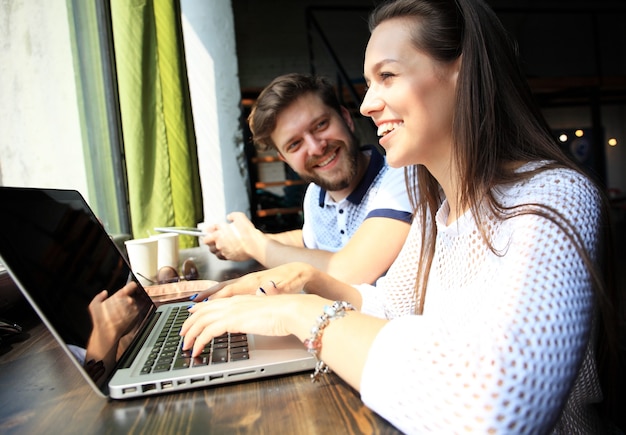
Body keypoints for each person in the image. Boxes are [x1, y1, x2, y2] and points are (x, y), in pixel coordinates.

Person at [181, 0, 623, 432]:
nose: (368, 104)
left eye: (387, 76)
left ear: (463, 72)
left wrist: (300, 314)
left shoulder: (555, 195)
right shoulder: (439, 210)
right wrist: (302, 280)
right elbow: (388, 304)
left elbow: (499, 409)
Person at [200, 73, 413, 284]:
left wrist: (253, 244)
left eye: (320, 125)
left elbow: (348, 272)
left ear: (346, 119)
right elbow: (308, 241)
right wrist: (240, 239)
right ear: (285, 159)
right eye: (294, 144)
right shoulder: (315, 194)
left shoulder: (402, 175)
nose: (316, 147)